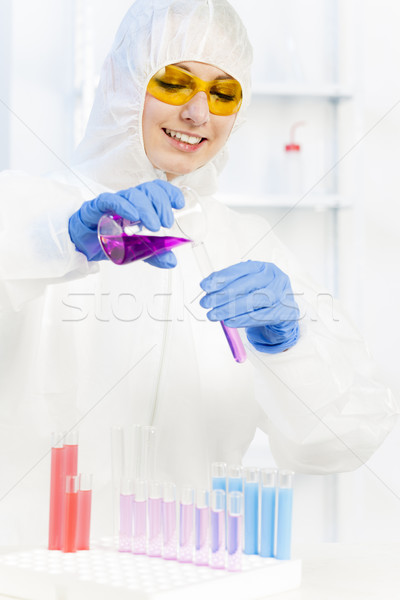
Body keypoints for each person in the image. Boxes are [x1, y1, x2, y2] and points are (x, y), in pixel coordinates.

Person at [0, 0, 398, 546]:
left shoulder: (249, 246)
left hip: (190, 572)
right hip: (34, 577)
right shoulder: (25, 207)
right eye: (173, 83)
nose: (197, 114)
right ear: (123, 83)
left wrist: (290, 346)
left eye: (223, 93)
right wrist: (60, 240)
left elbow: (342, 443)